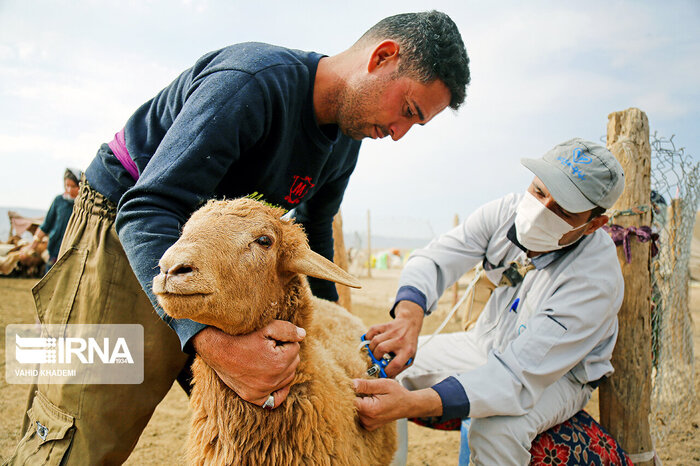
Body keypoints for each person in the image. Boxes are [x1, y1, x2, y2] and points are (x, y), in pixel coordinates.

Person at [8, 11, 470, 465]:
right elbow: (149, 206)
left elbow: (314, 237)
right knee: (82, 429)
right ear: (382, 57)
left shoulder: (346, 140)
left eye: (416, 124)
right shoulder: (251, 82)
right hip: (128, 233)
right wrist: (210, 342)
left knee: (261, 424)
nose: (398, 133)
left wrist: (334, 344)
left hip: (230, 269)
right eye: (407, 111)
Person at [354, 138, 625, 465]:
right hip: (484, 343)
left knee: (497, 429)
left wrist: (413, 403)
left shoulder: (593, 280)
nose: (541, 211)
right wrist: (407, 322)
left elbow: (516, 377)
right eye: (539, 191)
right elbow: (434, 259)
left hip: (557, 375)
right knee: (378, 368)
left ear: (593, 224)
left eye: (563, 211)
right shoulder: (505, 213)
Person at [19, 168, 81, 274]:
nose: (69, 190)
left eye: (73, 186)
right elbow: (46, 225)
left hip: (74, 253)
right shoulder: (59, 201)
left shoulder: (83, 205)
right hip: (55, 252)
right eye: (67, 185)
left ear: (81, 185)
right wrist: (31, 246)